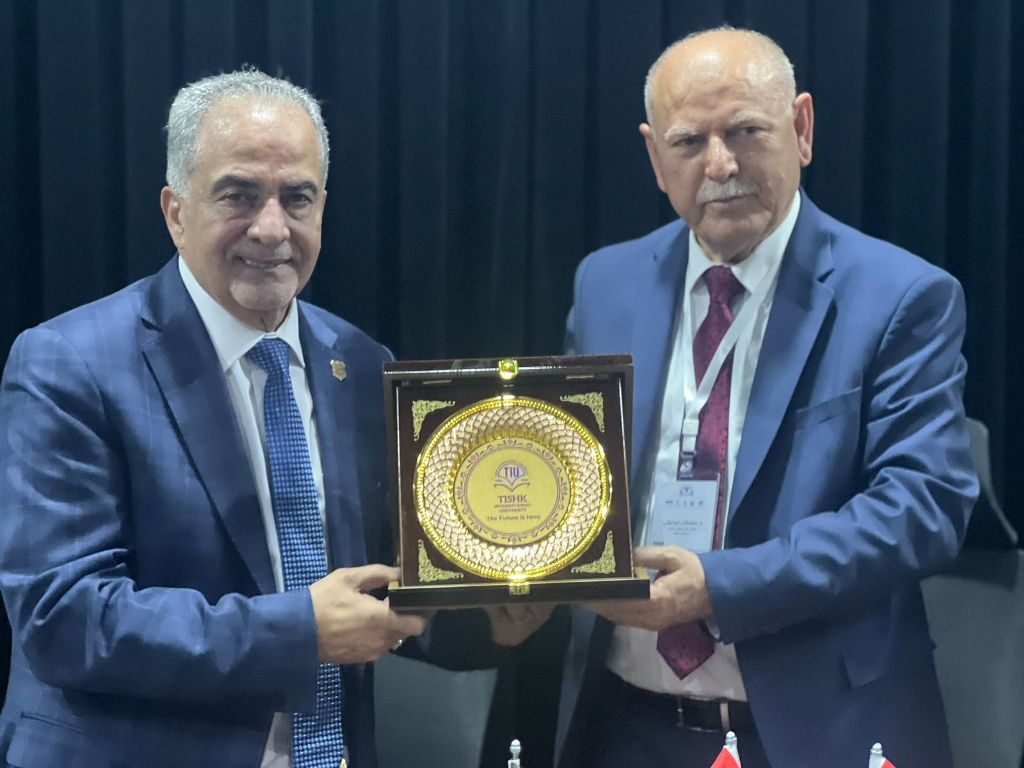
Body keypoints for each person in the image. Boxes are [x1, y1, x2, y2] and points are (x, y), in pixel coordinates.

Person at [500, 27, 978, 768]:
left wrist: (720, 588)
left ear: (801, 129)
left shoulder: (901, 296)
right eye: (689, 142)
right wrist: (514, 554)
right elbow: (575, 470)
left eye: (746, 131)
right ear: (655, 157)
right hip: (619, 724)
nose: (720, 165)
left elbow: (924, 507)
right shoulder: (605, 283)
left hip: (813, 732)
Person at [0, 69, 427, 767]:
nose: (272, 228)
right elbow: (63, 616)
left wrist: (501, 604)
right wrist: (300, 631)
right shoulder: (68, 362)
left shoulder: (361, 362)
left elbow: (383, 580)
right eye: (238, 195)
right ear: (176, 212)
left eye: (297, 198)